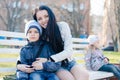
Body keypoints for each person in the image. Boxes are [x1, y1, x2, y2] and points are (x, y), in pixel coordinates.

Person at [17, 5, 89, 80]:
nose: (44, 20)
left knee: (84, 75)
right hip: (56, 66)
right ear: (37, 22)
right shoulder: (40, 34)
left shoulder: (62, 26)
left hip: (69, 62)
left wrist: (50, 59)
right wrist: (19, 65)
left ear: (51, 15)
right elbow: (29, 47)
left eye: (46, 16)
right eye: (40, 19)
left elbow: (69, 51)